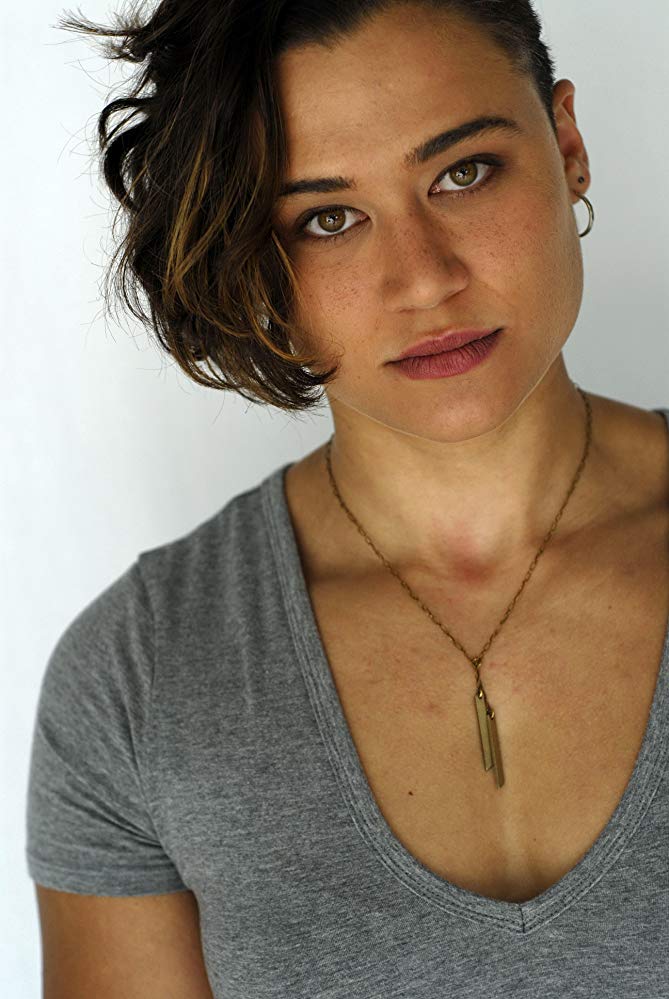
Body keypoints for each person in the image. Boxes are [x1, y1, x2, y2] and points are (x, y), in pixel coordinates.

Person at [26, 1, 669, 996]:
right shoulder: (139, 681)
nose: (424, 279)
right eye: (326, 219)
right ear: (250, 255)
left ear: (568, 146)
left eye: (464, 172)